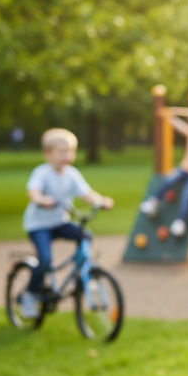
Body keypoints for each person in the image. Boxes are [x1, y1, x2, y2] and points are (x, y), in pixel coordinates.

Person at [20, 129, 114, 318]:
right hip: (38, 225)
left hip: (59, 222)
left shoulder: (72, 174)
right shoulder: (42, 173)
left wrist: (100, 201)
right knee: (45, 259)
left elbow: (87, 194)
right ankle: (29, 295)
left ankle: (84, 273)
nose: (67, 156)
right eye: (62, 152)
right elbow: (33, 192)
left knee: (86, 235)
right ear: (47, 154)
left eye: (70, 151)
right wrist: (41, 199)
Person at [139, 107, 188, 237]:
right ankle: (154, 202)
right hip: (185, 168)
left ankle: (180, 222)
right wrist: (168, 115)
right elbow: (179, 125)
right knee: (168, 180)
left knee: (186, 196)